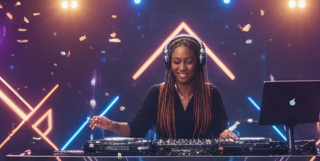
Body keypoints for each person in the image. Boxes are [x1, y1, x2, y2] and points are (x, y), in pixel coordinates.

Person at [88, 34, 237, 141]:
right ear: (168, 63)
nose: (182, 67)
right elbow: (136, 129)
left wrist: (224, 134)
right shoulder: (157, 93)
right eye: (176, 61)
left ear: (199, 62)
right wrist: (112, 125)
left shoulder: (211, 93)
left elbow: (220, 130)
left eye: (189, 61)